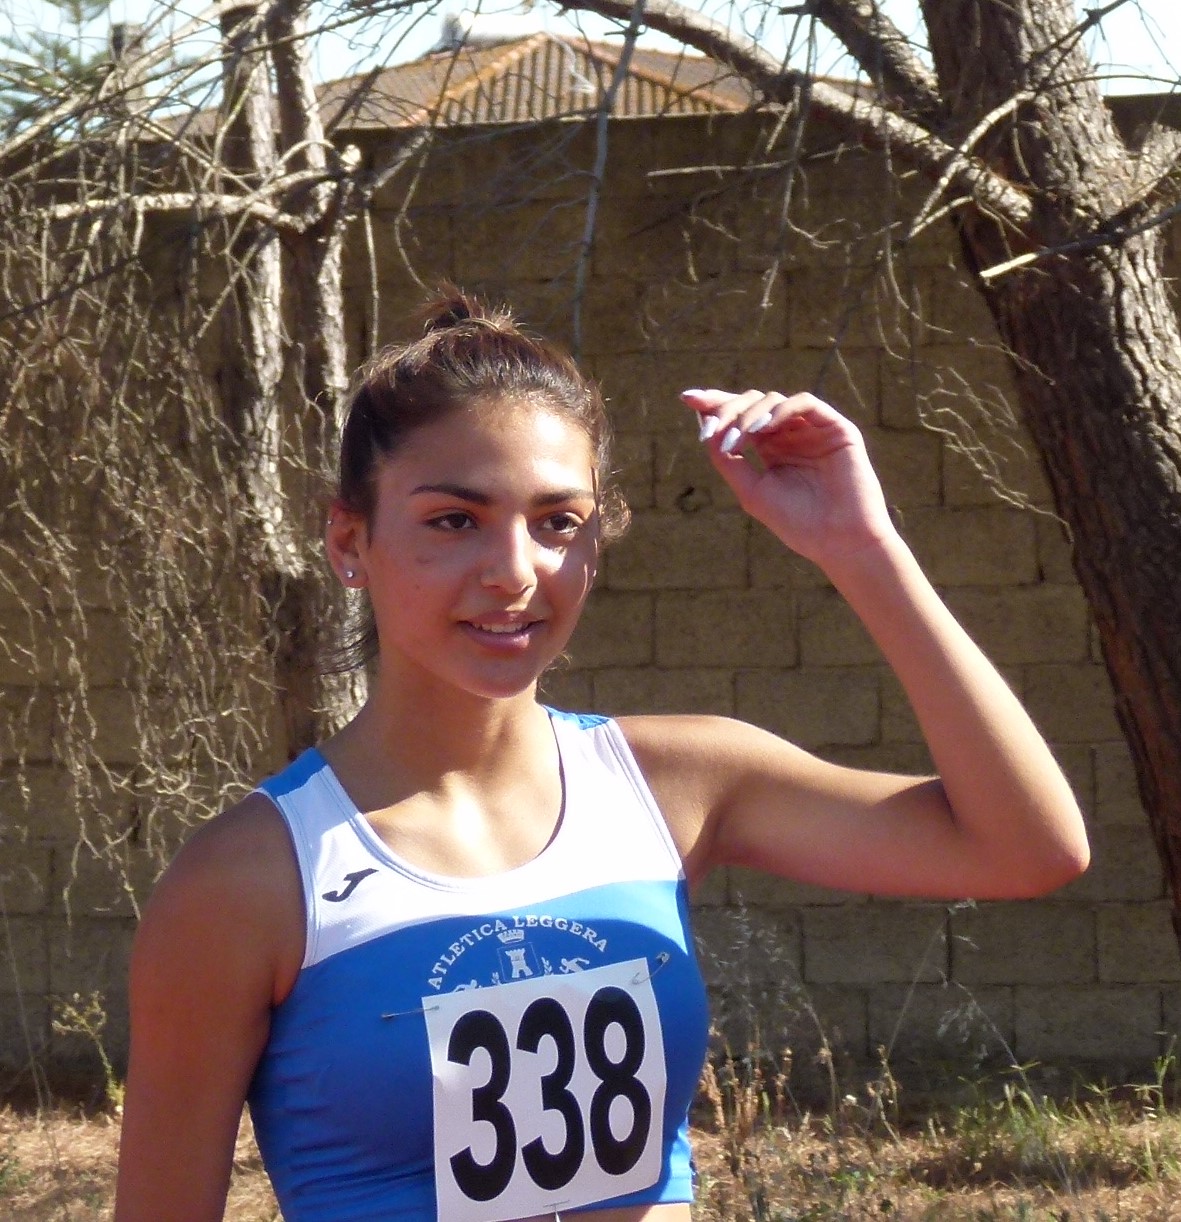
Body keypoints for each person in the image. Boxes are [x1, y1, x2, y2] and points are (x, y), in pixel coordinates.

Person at [114, 290, 1089, 1222]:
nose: (514, 571)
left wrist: (860, 546)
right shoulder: (249, 878)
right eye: (453, 520)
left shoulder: (676, 781)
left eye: (556, 522)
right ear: (348, 539)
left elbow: (1026, 848)